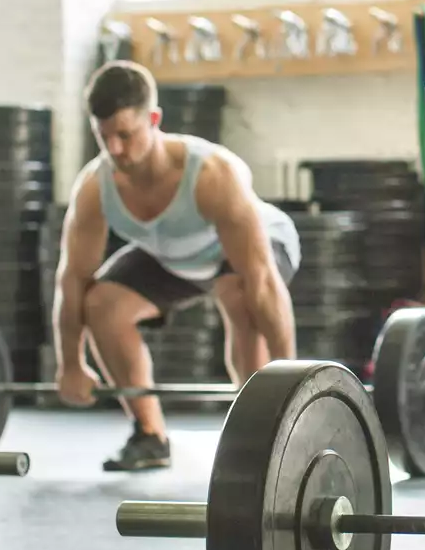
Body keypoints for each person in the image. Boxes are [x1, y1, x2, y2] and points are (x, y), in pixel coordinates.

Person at [51, 61, 301, 471]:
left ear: (153, 120)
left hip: (259, 245)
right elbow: (72, 280)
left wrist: (290, 384)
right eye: (104, 137)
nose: (114, 149)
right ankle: (150, 436)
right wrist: (71, 364)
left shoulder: (211, 174)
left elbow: (263, 283)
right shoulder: (95, 188)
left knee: (238, 295)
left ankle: (262, 432)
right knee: (102, 306)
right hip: (176, 257)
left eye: (126, 135)